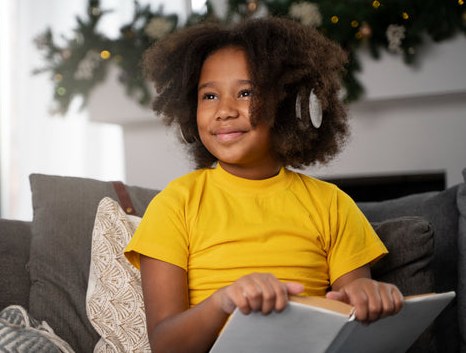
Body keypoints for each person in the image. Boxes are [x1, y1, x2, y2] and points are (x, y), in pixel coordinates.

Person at [124, 17, 403, 353]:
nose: (224, 110)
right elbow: (166, 345)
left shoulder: (333, 204)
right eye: (209, 95)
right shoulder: (175, 204)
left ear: (283, 104)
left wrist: (370, 297)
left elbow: (356, 311)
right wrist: (223, 302)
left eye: (245, 92)